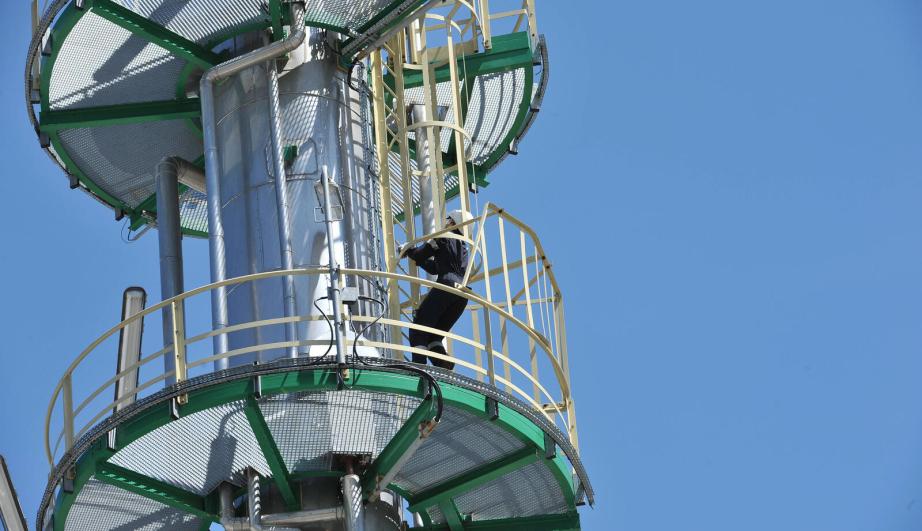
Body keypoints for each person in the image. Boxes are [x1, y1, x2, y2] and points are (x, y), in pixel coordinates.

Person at [399, 210, 473, 370]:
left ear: (453, 223)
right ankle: (443, 365)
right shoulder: (464, 248)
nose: (446, 223)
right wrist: (418, 259)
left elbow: (421, 254)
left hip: (446, 286)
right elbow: (435, 268)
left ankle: (419, 371)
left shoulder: (443, 236)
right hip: (462, 294)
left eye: (448, 220)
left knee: (418, 330)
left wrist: (408, 250)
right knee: (434, 336)